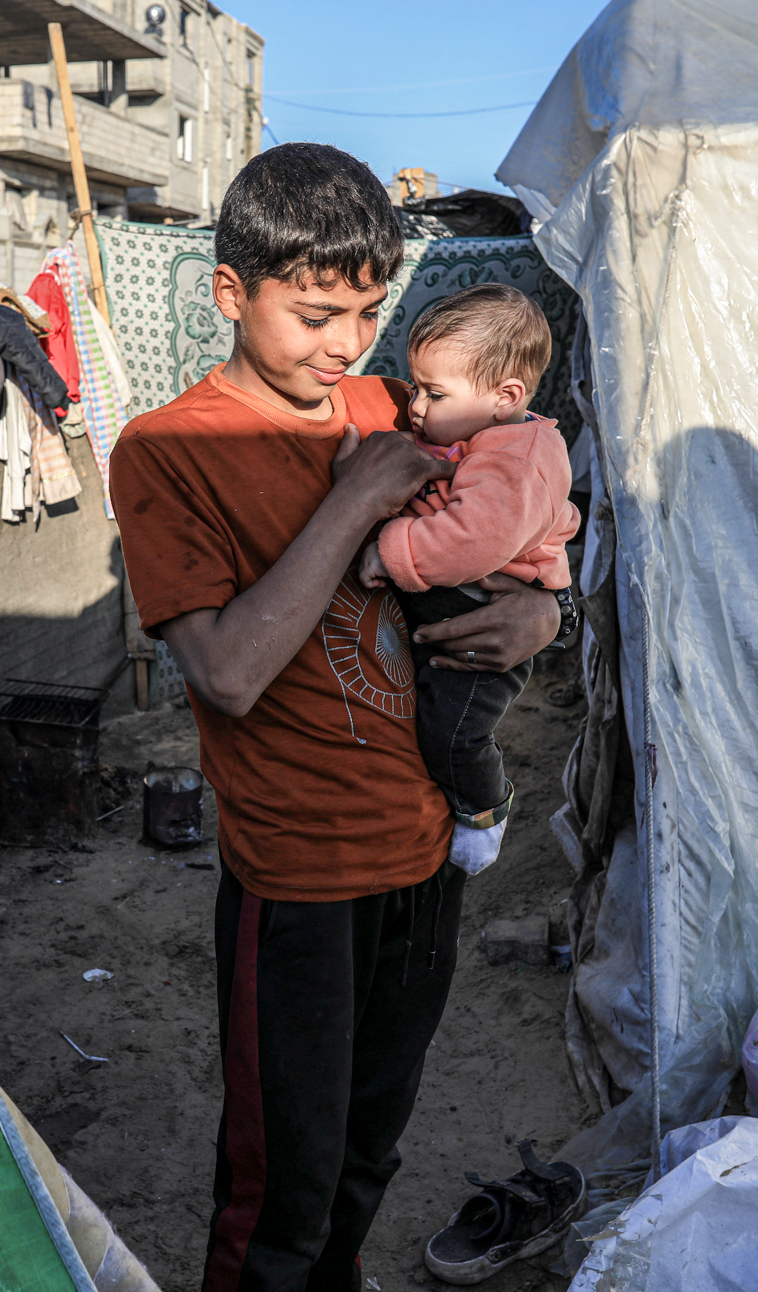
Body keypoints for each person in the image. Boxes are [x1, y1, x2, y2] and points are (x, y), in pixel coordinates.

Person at [107, 142, 569, 1292]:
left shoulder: (393, 402)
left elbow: (516, 519)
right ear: (230, 292)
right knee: (282, 1185)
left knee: (370, 1143)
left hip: (424, 857)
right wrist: (357, 496)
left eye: (365, 311)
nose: (346, 345)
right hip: (299, 878)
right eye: (315, 313)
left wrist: (540, 622)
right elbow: (222, 673)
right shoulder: (169, 450)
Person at [358, 284, 580, 859]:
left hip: (482, 616)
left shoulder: (517, 457)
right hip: (458, 607)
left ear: (505, 396)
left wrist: (390, 549)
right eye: (415, 388)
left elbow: (470, 541)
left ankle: (484, 812)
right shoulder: (477, 435)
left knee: (454, 732)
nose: (417, 407)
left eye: (434, 393)